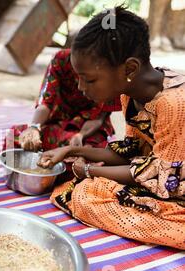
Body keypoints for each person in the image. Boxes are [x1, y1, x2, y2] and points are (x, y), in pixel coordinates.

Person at [38, 6, 185, 250]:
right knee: (84, 191)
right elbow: (130, 151)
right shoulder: (129, 93)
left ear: (129, 69)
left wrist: (89, 170)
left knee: (87, 194)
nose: (81, 88)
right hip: (161, 175)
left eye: (89, 79)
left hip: (172, 184)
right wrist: (72, 152)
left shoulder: (173, 103)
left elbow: (164, 177)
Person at [3, 47, 121, 181]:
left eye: (87, 80)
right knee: (16, 136)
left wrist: (80, 135)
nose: (80, 87)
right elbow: (46, 102)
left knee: (93, 151)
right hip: (58, 121)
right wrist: (34, 127)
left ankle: (78, 165)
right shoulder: (61, 59)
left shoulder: (108, 73)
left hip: (87, 130)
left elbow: (98, 116)